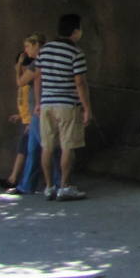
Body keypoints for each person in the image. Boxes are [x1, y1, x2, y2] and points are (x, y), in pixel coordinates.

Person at [34, 13, 92, 201]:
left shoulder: (44, 50)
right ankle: (64, 186)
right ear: (75, 31)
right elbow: (80, 82)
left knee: (47, 146)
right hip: (67, 104)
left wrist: (38, 102)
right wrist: (87, 108)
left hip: (46, 104)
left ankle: (49, 186)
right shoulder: (76, 53)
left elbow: (37, 77)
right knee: (68, 145)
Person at [0, 34, 49, 194]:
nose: (26, 50)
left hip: (39, 112)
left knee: (48, 148)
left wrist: (18, 67)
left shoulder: (38, 63)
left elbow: (21, 82)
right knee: (32, 149)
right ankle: (26, 185)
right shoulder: (36, 63)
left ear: (37, 45)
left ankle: (55, 183)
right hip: (34, 113)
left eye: (28, 46)